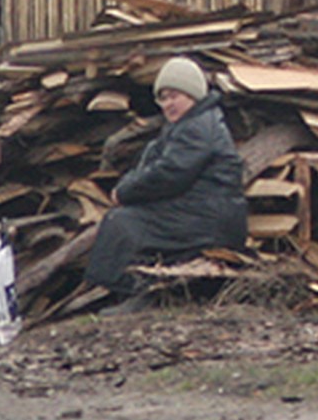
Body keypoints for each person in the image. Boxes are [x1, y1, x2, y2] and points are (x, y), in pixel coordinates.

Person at [85, 56, 248, 311]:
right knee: (126, 220)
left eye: (174, 96)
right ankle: (132, 294)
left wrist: (125, 192)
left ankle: (132, 295)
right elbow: (153, 166)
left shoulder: (198, 128)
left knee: (124, 222)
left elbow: (169, 174)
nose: (167, 104)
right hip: (199, 212)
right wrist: (128, 185)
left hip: (210, 220)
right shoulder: (187, 125)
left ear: (193, 95)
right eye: (163, 98)